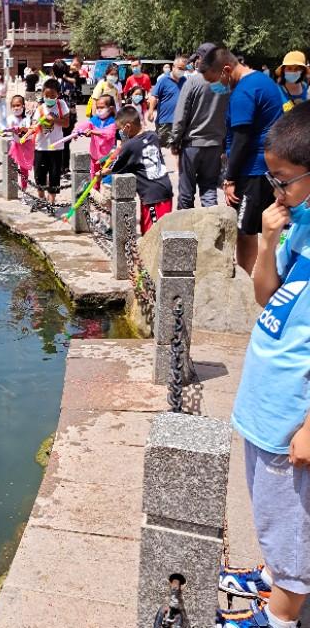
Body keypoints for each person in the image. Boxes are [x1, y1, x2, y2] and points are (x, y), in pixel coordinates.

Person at [215, 102, 309, 628]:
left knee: (294, 523)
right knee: (271, 510)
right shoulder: (301, 225)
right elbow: (265, 295)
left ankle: (279, 617)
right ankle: (275, 577)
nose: (276, 190)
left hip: (293, 412)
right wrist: (270, 240)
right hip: (265, 402)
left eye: (285, 180)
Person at [200, 46, 283, 275]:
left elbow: (242, 140)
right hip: (266, 168)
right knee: (261, 227)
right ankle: (260, 274)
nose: (215, 86)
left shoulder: (243, 92)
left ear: (226, 69)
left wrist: (230, 179)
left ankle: (246, 283)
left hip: (253, 170)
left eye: (214, 80)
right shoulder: (261, 81)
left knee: (244, 230)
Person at [171, 42, 229, 210]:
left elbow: (181, 115)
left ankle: (183, 231)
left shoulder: (194, 81)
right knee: (209, 188)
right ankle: (211, 229)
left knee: (186, 191)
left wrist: (175, 141)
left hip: (192, 145)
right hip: (215, 145)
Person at [111, 106, 173, 235]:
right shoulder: (153, 136)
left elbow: (116, 169)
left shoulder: (130, 146)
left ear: (127, 127)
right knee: (160, 231)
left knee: (153, 235)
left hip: (153, 197)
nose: (119, 133)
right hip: (164, 189)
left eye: (120, 129)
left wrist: (102, 172)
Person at [32, 78, 70, 214]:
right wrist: (38, 125)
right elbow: (34, 126)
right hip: (41, 147)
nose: (49, 98)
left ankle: (51, 202)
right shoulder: (40, 108)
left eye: (52, 96)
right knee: (39, 175)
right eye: (46, 96)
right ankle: (41, 199)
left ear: (58, 95)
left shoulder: (61, 105)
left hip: (56, 148)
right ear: (43, 94)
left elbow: (66, 123)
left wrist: (54, 119)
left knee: (54, 175)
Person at [148, 56, 188, 147]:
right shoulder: (163, 80)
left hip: (180, 121)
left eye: (184, 69)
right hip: (165, 121)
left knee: (178, 148)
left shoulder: (184, 81)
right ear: (173, 67)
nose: (182, 70)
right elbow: (154, 97)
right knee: (161, 146)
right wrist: (150, 112)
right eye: (180, 68)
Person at [6, 94, 34, 202]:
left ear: (23, 106)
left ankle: (24, 192)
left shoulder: (27, 119)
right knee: (13, 168)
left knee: (24, 170)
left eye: (18, 105)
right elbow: (10, 128)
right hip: (16, 146)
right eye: (13, 106)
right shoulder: (10, 118)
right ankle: (12, 190)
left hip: (27, 146)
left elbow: (30, 131)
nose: (16, 108)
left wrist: (25, 130)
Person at [53, 59, 77, 175]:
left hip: (58, 117)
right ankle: (65, 167)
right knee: (65, 142)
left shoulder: (53, 83)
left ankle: (59, 166)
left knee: (58, 142)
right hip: (68, 116)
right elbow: (73, 101)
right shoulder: (68, 82)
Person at [89, 95, 117, 181]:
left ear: (111, 108)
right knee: (94, 176)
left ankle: (107, 190)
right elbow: (85, 125)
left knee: (108, 177)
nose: (99, 109)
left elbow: (109, 134)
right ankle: (95, 191)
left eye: (102, 107)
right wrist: (77, 131)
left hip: (107, 156)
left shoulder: (113, 121)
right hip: (94, 154)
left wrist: (94, 132)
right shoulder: (94, 119)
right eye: (97, 107)